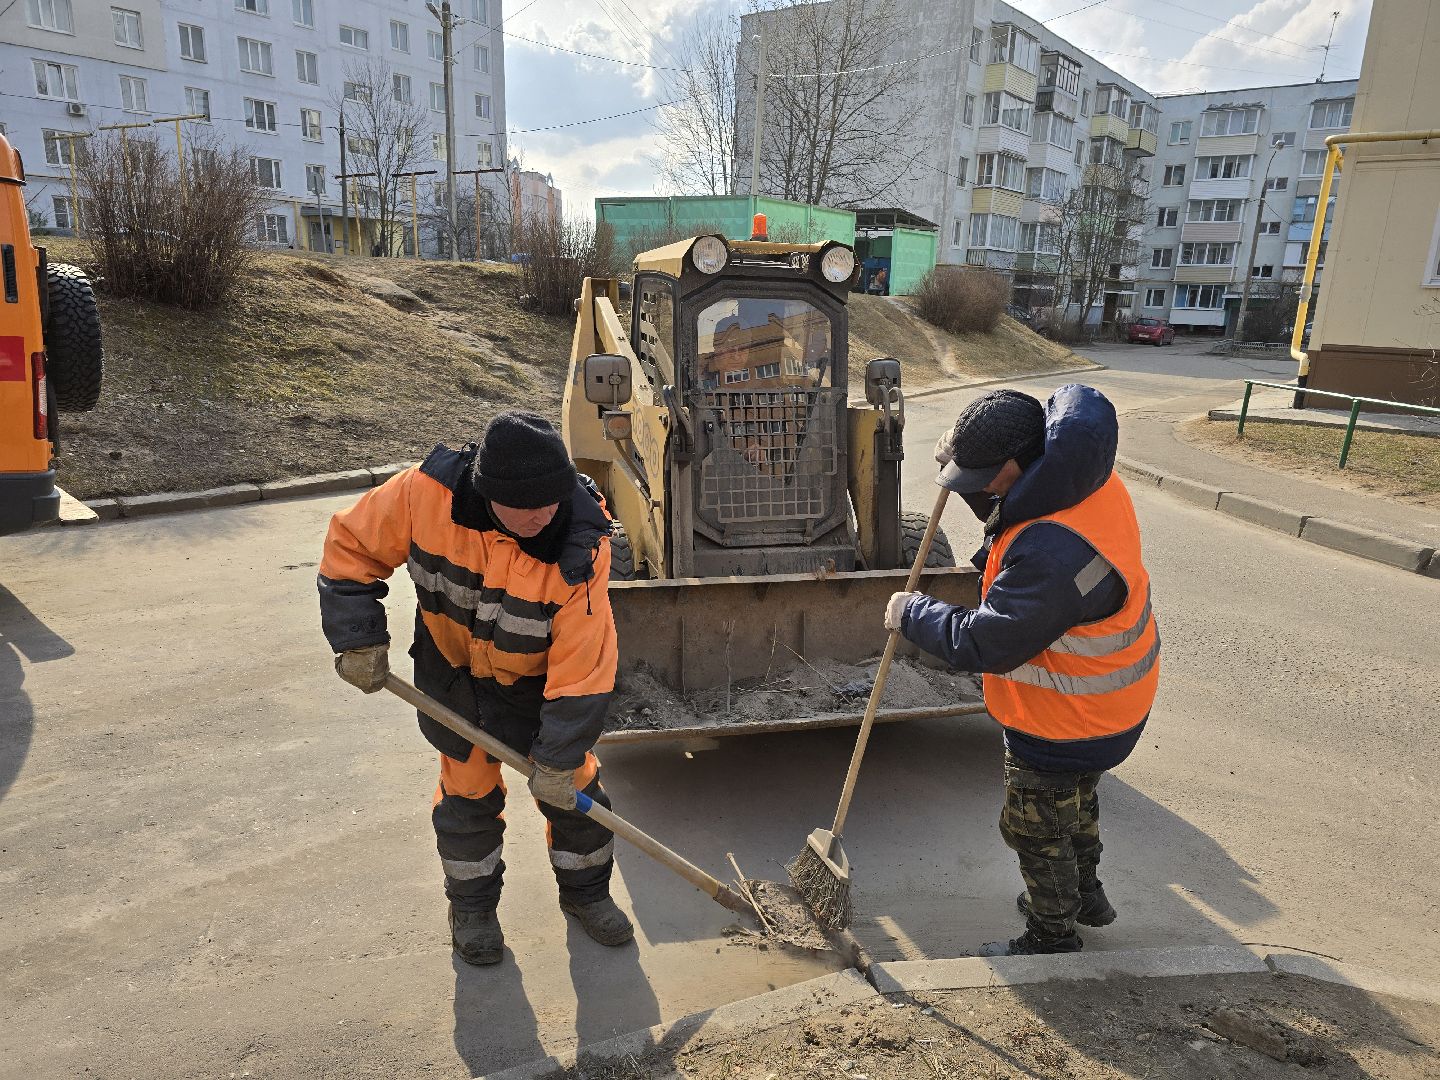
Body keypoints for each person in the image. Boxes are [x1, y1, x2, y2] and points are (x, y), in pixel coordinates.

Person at [317, 411, 632, 966]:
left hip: (536, 687)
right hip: (454, 674)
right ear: (487, 493)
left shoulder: (582, 550)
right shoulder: (426, 495)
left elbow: (585, 665)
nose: (541, 516)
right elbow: (351, 547)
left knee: (576, 792)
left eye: (550, 501)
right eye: (524, 506)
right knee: (467, 796)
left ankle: (587, 893)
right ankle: (473, 909)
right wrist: (357, 637)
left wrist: (557, 758)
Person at [884, 386, 1160, 956]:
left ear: (1013, 466)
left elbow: (987, 643)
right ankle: (1085, 894)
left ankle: (1051, 935)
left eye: (982, 478)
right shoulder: (1087, 484)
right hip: (1114, 703)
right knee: (1075, 807)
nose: (976, 490)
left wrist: (912, 613)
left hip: (1066, 719)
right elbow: (1015, 514)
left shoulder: (1053, 558)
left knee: (1035, 830)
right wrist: (963, 474)